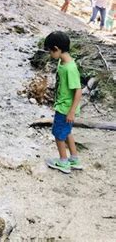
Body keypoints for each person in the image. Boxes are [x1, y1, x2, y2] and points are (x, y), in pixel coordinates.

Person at [43, 31, 83, 174]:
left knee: (58, 134)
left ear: (56, 48)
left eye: (50, 51)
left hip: (65, 108)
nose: (49, 54)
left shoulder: (69, 68)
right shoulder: (63, 62)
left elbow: (78, 91)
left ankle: (63, 162)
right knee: (67, 132)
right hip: (64, 105)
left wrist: (71, 111)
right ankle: (74, 158)